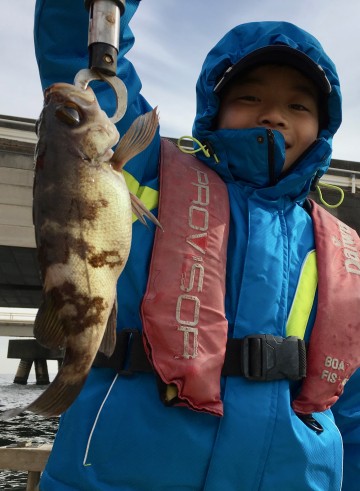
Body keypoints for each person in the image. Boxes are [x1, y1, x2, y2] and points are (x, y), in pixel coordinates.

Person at [34, 1, 360, 490]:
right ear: (215, 110)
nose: (273, 115)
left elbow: (352, 405)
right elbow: (80, 60)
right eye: (249, 97)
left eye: (298, 105)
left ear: (323, 126)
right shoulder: (149, 176)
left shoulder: (342, 248)